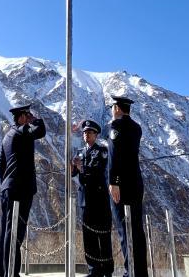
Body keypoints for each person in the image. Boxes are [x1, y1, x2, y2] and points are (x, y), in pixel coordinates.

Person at [0, 103, 46, 277]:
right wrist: (36, 120)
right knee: (15, 233)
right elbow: (40, 131)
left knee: (5, 231)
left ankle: (5, 272)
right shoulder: (23, 130)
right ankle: (12, 273)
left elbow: (1, 164)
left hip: (7, 188)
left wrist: (7, 183)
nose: (30, 118)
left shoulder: (7, 136)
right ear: (23, 117)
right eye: (28, 115)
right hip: (20, 190)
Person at [107, 95, 148, 277]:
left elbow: (114, 154)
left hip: (122, 185)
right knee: (137, 230)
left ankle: (129, 272)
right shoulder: (137, 127)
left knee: (125, 229)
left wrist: (114, 182)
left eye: (112, 107)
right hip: (136, 183)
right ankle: (140, 273)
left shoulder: (116, 126)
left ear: (117, 108)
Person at [71, 119, 114, 277]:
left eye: (89, 132)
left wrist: (81, 167)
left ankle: (107, 270)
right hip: (85, 200)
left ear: (96, 135)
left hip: (99, 199)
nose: (86, 135)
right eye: (84, 133)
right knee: (88, 237)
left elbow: (97, 171)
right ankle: (93, 270)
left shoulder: (102, 151)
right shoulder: (79, 152)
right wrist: (73, 166)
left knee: (103, 235)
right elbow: (73, 174)